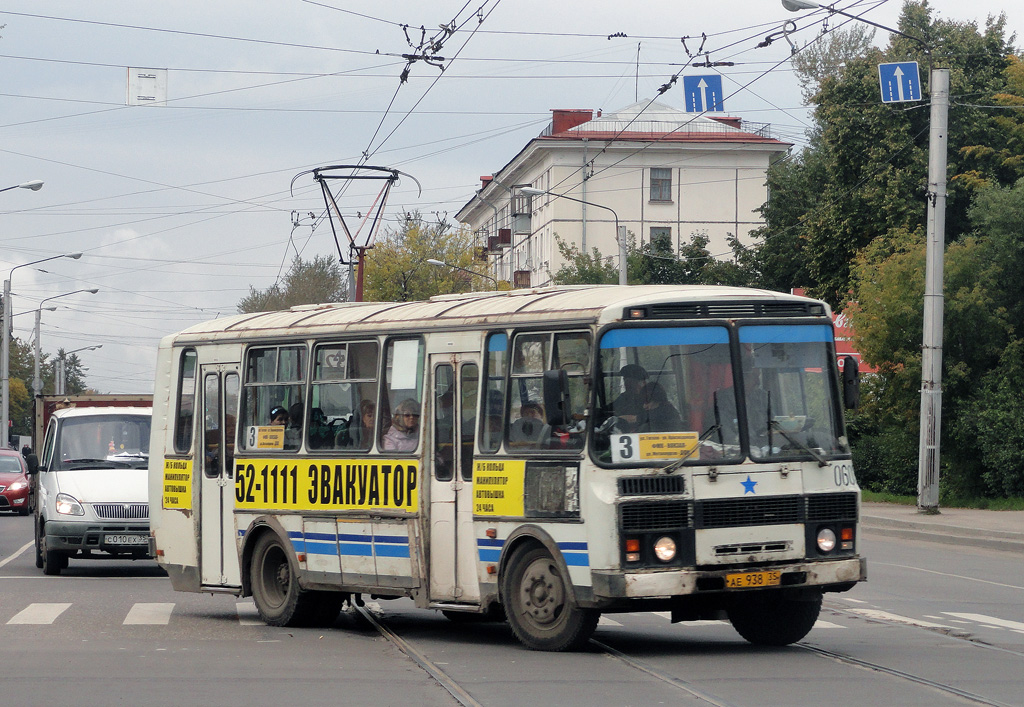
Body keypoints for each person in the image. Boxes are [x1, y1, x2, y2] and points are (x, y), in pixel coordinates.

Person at [611, 364, 648, 431]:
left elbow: (650, 416)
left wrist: (634, 418)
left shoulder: (648, 398)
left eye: (629, 381)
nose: (626, 384)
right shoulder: (624, 397)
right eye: (625, 380)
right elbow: (610, 409)